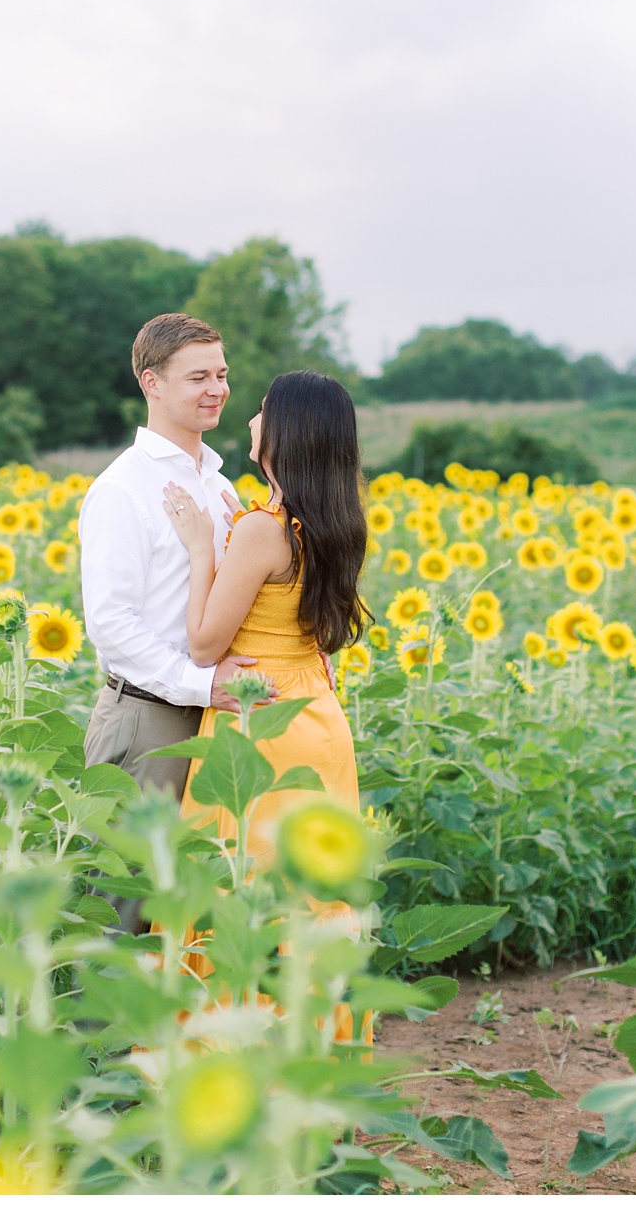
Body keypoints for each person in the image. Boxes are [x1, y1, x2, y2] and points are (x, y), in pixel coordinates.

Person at [160, 369, 370, 958]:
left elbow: (204, 645)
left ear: (284, 432)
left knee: (241, 890)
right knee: (311, 894)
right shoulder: (335, 520)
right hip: (317, 718)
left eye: (262, 409)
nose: (250, 418)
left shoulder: (260, 530)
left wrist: (205, 547)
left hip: (260, 715)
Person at [80, 312, 275, 935]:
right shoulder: (124, 489)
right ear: (152, 383)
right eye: (198, 377)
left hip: (216, 714)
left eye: (221, 374)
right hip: (150, 718)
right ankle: (102, 1036)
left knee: (198, 902)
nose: (216, 388)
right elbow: (111, 624)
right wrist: (200, 685)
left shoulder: (218, 484)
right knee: (128, 901)